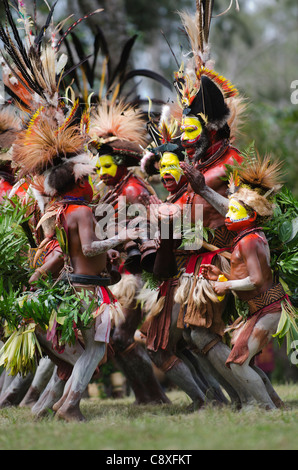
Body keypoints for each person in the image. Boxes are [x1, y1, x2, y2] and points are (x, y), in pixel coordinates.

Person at [185, 153, 286, 409]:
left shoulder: (250, 240)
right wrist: (221, 276)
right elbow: (248, 278)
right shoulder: (247, 238)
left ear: (250, 216)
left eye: (233, 210)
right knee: (241, 360)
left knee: (238, 362)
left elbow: (256, 279)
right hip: (261, 309)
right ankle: (271, 404)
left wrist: (225, 285)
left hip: (268, 309)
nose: (227, 215)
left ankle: (266, 409)